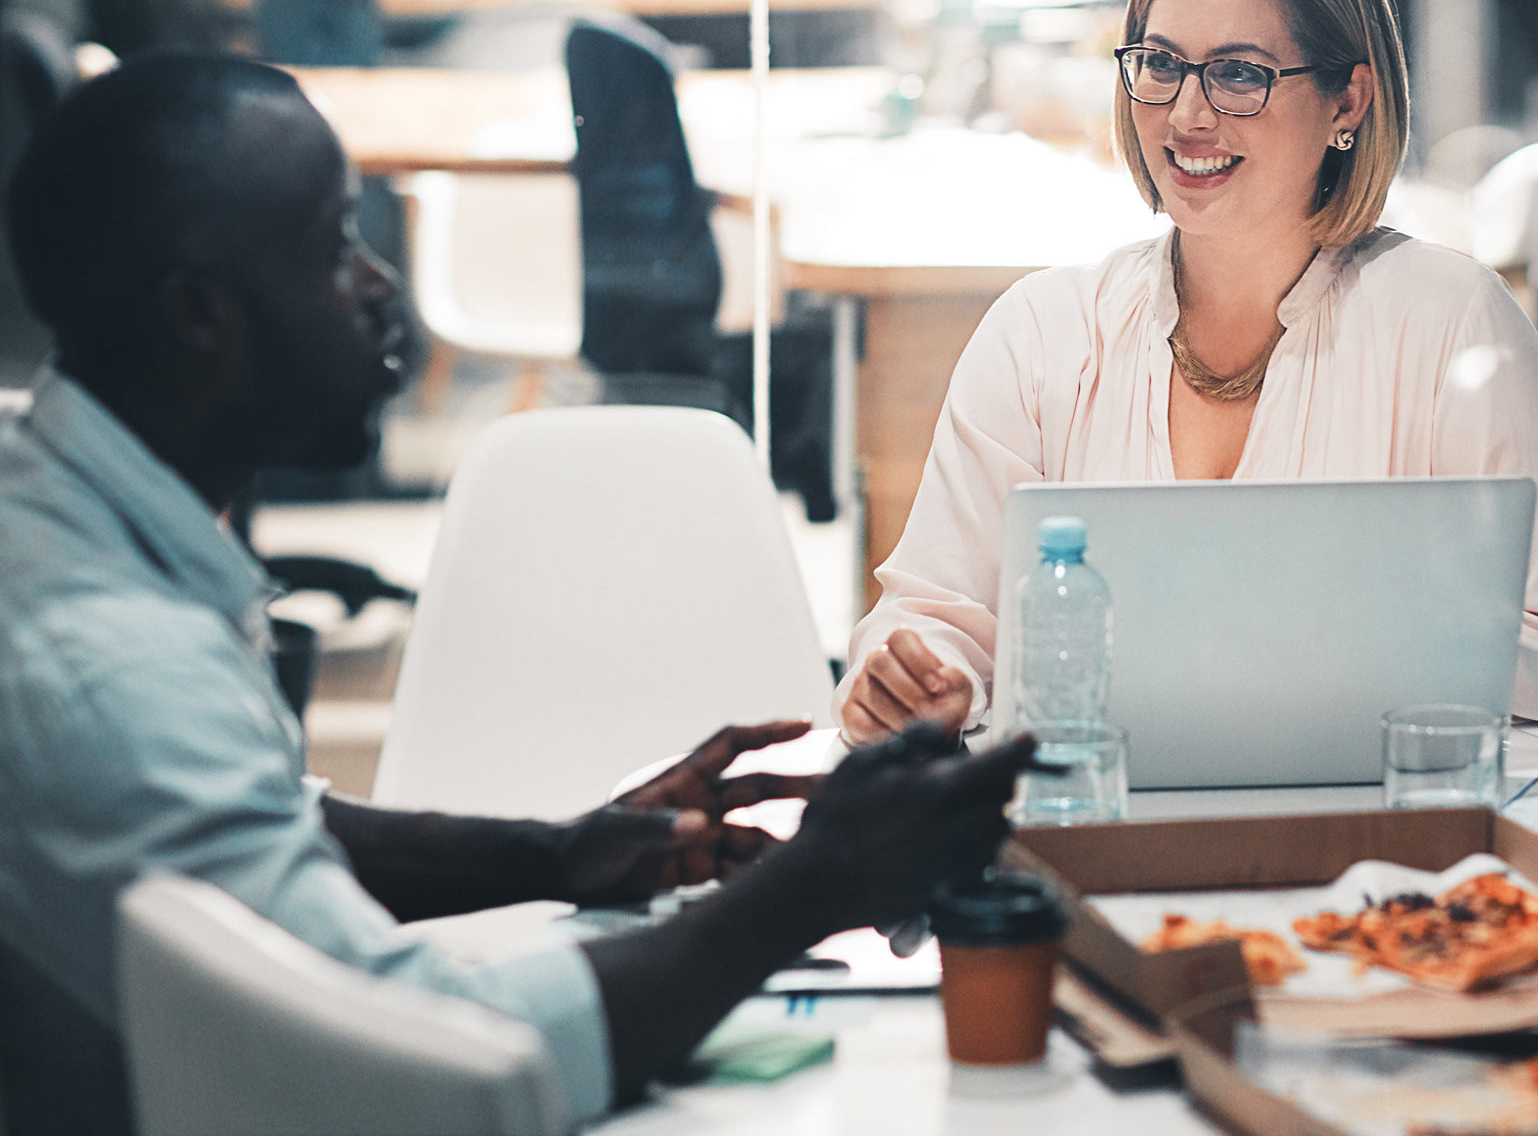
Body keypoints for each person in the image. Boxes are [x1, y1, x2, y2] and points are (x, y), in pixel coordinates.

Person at [0, 55, 1037, 1135]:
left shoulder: (60, 515)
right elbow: (436, 1062)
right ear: (199, 315)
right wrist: (811, 887)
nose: (380, 285)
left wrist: (562, 849)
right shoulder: (106, 671)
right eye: (331, 246)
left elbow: (270, 825)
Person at [838, 0, 1538, 740]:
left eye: (1240, 73)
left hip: (1379, 844)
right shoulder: (1040, 333)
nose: (1186, 113)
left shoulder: (1454, 327)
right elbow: (930, 619)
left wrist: (1331, 654)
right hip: (1094, 838)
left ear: (1348, 102)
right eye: (1161, 63)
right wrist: (914, 681)